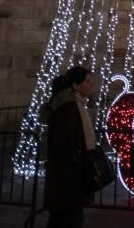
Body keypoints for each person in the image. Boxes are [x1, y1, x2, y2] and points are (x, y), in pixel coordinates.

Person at [40, 66, 95, 228]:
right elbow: (64, 142)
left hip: (66, 177)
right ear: (75, 85)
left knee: (60, 218)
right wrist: (79, 160)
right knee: (70, 218)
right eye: (87, 81)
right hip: (69, 177)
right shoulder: (69, 108)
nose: (91, 84)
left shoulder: (73, 105)